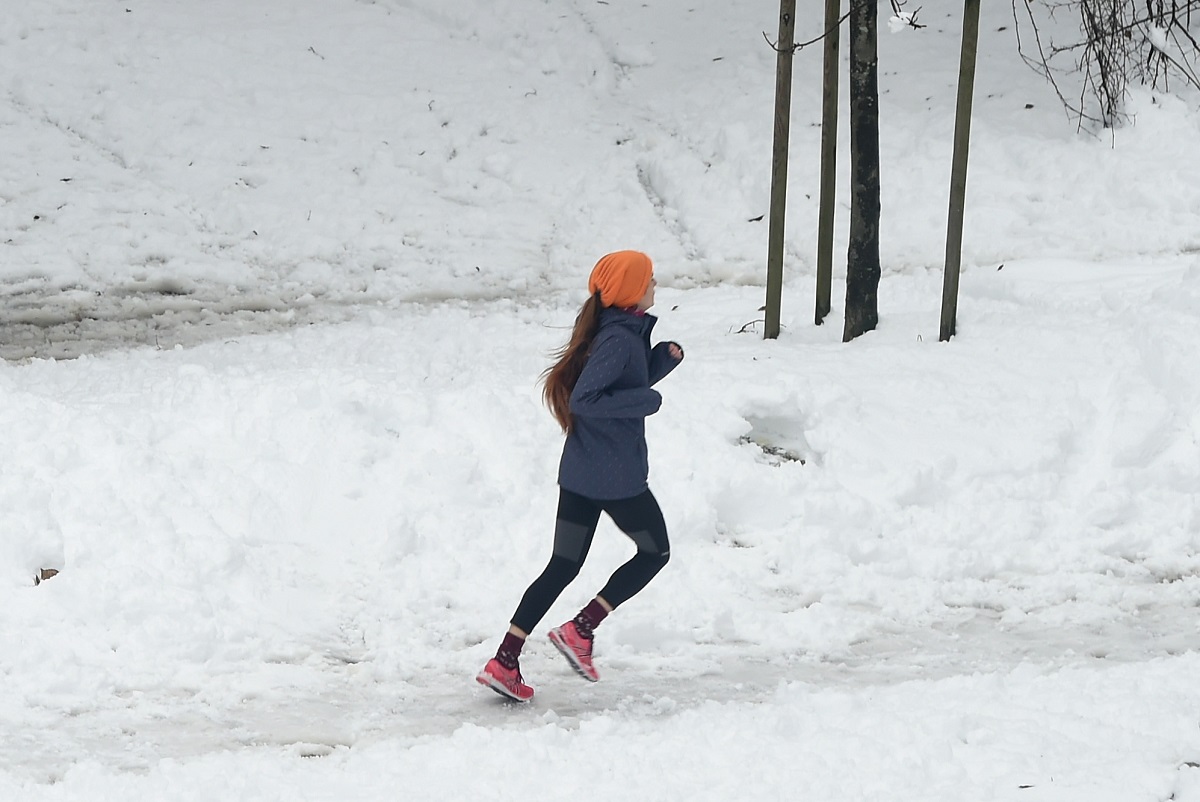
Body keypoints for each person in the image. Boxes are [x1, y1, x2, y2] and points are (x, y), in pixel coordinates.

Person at [476, 250, 684, 702]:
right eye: (649, 280)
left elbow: (617, 384)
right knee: (655, 551)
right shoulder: (618, 340)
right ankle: (580, 629)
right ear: (632, 291)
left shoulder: (617, 333)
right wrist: (646, 402)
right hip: (615, 478)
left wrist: (659, 364)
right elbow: (589, 400)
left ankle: (505, 660)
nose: (655, 285)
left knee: (563, 565)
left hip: (581, 475)